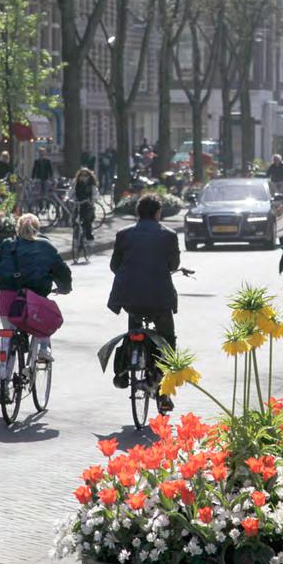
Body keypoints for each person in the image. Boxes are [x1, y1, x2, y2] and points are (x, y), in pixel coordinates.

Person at [107, 194, 180, 413]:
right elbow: (173, 264)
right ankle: (164, 392)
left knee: (134, 331)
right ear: (158, 213)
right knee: (167, 341)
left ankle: (122, 371)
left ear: (137, 213)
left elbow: (114, 265)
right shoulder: (169, 235)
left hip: (131, 297)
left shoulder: (123, 234)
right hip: (159, 298)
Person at [0, 214, 72, 371]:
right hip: (33, 302)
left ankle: (4, 375)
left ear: (17, 228)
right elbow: (62, 271)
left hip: (7, 299)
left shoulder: (6, 245)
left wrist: (1, 286)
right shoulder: (47, 246)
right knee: (44, 320)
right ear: (38, 228)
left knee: (8, 333)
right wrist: (64, 288)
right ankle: (43, 347)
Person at [72, 167, 99, 240]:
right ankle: (76, 235)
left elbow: (95, 194)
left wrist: (92, 200)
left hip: (88, 205)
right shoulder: (76, 183)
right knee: (74, 219)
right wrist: (69, 198)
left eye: (85, 175)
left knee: (87, 221)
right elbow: (71, 192)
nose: (83, 177)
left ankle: (88, 236)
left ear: (89, 176)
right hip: (78, 204)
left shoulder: (91, 185)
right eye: (82, 175)